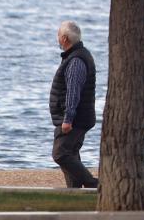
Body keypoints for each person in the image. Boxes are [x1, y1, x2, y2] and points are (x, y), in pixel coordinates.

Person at [49, 21, 98, 188]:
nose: (57, 38)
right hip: (77, 118)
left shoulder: (76, 61)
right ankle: (74, 192)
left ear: (64, 38)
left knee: (60, 154)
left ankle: (93, 183)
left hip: (74, 120)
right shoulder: (76, 56)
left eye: (58, 35)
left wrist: (68, 119)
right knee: (71, 154)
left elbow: (73, 92)